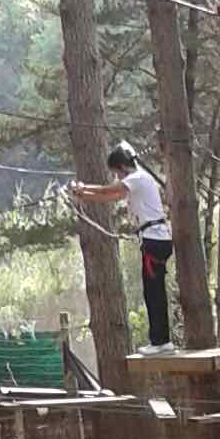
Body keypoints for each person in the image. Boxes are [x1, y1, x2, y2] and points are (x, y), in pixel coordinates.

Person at [71, 144, 174, 350]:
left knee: (153, 293)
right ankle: (161, 340)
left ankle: (161, 342)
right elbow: (109, 197)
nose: (117, 177)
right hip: (157, 240)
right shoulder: (139, 180)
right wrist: (84, 195)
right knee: (154, 292)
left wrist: (83, 188)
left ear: (122, 167)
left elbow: (108, 190)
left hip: (154, 240)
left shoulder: (137, 178)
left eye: (116, 173)